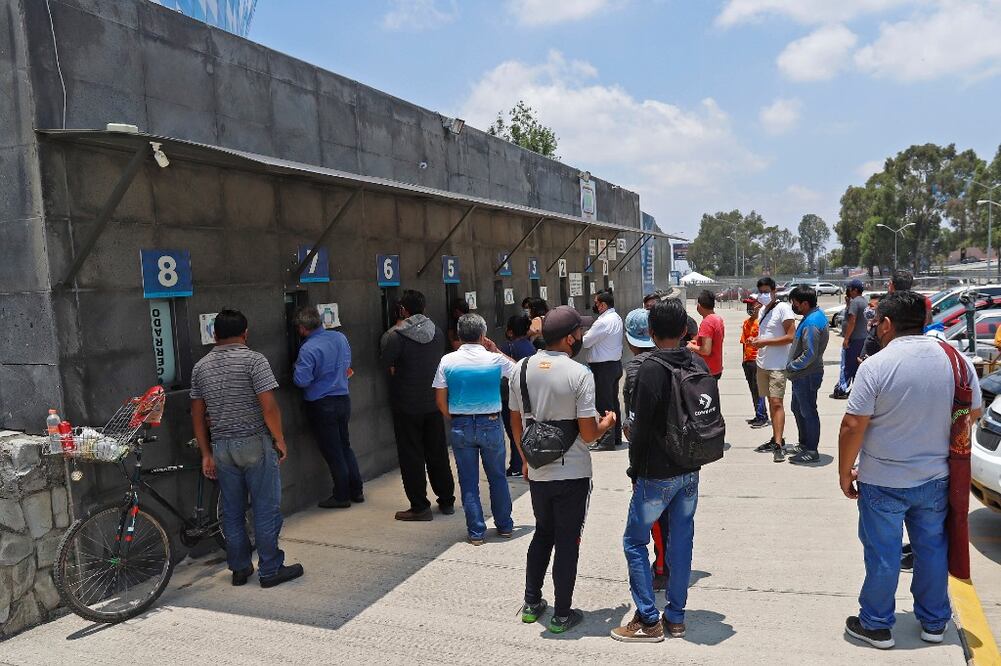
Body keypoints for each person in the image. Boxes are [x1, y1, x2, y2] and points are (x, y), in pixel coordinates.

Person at [838, 291, 982, 650]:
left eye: (876, 322)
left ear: (886, 324)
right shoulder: (955, 360)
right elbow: (972, 413)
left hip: (882, 481)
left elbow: (853, 425)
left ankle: (876, 624)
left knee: (883, 554)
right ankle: (934, 622)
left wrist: (844, 471)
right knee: (931, 550)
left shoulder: (876, 366)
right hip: (936, 480)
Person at [509, 305, 616, 635]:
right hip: (572, 473)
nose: (582, 336)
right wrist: (608, 422)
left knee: (543, 533)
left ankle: (531, 604)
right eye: (580, 332)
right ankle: (562, 614)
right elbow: (587, 432)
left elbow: (515, 420)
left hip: (538, 470)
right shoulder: (579, 374)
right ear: (570, 338)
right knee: (568, 541)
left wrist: (525, 459)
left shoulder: (521, 369)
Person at [611, 298, 705, 643]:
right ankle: (676, 617)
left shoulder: (650, 367)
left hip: (656, 473)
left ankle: (649, 619)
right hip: (690, 469)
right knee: (682, 541)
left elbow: (640, 428)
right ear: (684, 331)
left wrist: (635, 469)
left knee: (635, 541)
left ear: (650, 332)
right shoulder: (696, 363)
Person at [191, 309, 303, 588]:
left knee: (231, 511)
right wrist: (279, 439)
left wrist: (206, 453)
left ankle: (240, 569)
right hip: (254, 442)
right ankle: (270, 569)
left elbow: (196, 414)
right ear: (245, 333)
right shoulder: (255, 360)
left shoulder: (200, 367)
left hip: (221, 447)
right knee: (265, 509)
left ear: (214, 335)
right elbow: (268, 407)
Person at [433, 313, 516, 545]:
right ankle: (505, 526)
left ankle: (476, 532)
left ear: (459, 335)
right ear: (483, 335)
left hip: (461, 424)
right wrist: (496, 349)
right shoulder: (494, 360)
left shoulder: (447, 361)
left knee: (468, 480)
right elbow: (520, 371)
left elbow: (440, 400)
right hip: (491, 422)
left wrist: (458, 417)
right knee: (497, 476)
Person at [381, 289, 456, 521]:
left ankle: (420, 506)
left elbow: (388, 364)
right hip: (433, 402)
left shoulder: (395, 336)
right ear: (424, 308)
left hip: (406, 404)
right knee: (438, 452)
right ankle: (446, 501)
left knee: (411, 455)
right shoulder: (438, 333)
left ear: (403, 310)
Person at [293, 306, 364, 509]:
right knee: (344, 445)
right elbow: (347, 364)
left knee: (333, 452)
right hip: (342, 398)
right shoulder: (340, 338)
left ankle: (341, 496)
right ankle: (356, 490)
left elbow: (301, 381)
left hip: (321, 403)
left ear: (302, 328)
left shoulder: (307, 349)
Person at [622, 308, 670, 592]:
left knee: (653, 518)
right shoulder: (672, 359)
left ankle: (661, 568)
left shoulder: (636, 369)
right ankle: (669, 564)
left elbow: (635, 419)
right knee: (673, 518)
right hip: (677, 452)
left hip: (649, 457)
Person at [750, 277, 796, 462]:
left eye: (767, 291)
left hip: (778, 365)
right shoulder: (762, 309)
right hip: (762, 364)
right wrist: (756, 342)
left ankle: (778, 444)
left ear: (775, 290)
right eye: (761, 291)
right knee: (770, 402)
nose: (764, 294)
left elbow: (791, 336)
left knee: (777, 403)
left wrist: (764, 342)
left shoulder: (784, 309)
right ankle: (776, 437)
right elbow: (764, 333)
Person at [785, 285, 830, 465]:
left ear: (804, 303)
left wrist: (792, 366)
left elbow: (810, 354)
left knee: (808, 411)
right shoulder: (812, 317)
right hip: (802, 375)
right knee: (798, 409)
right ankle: (804, 444)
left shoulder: (812, 323)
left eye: (794, 303)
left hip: (807, 375)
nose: (793, 306)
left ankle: (811, 450)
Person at [582, 289, 624, 451]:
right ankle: (616, 436)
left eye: (596, 303)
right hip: (613, 365)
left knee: (604, 404)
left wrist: (582, 333)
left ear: (603, 305)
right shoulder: (615, 317)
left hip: (603, 368)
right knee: (613, 403)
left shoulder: (603, 322)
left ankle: (607, 440)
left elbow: (586, 342)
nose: (595, 306)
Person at [501, 314, 536, 477]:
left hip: (510, 396)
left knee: (514, 431)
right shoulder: (530, 347)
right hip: (529, 395)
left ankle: (516, 465)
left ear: (510, 331)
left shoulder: (507, 348)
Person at [832, 279, 867, 399]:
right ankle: (856, 389)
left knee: (847, 365)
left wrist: (846, 339)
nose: (848, 291)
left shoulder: (855, 302)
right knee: (857, 366)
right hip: (862, 339)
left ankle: (842, 389)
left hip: (854, 339)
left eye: (850, 289)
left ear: (855, 290)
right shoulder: (863, 301)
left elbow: (852, 321)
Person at [740, 298, 769, 428]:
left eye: (751, 305)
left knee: (759, 389)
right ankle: (758, 413)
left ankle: (762, 415)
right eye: (747, 305)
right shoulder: (747, 323)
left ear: (758, 305)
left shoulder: (763, 323)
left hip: (758, 360)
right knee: (753, 389)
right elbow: (744, 342)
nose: (749, 308)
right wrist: (744, 359)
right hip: (748, 361)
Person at [687, 289, 724, 380]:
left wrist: (691, 346)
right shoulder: (718, 319)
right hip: (716, 367)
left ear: (699, 305)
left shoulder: (707, 322)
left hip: (707, 370)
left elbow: (706, 350)